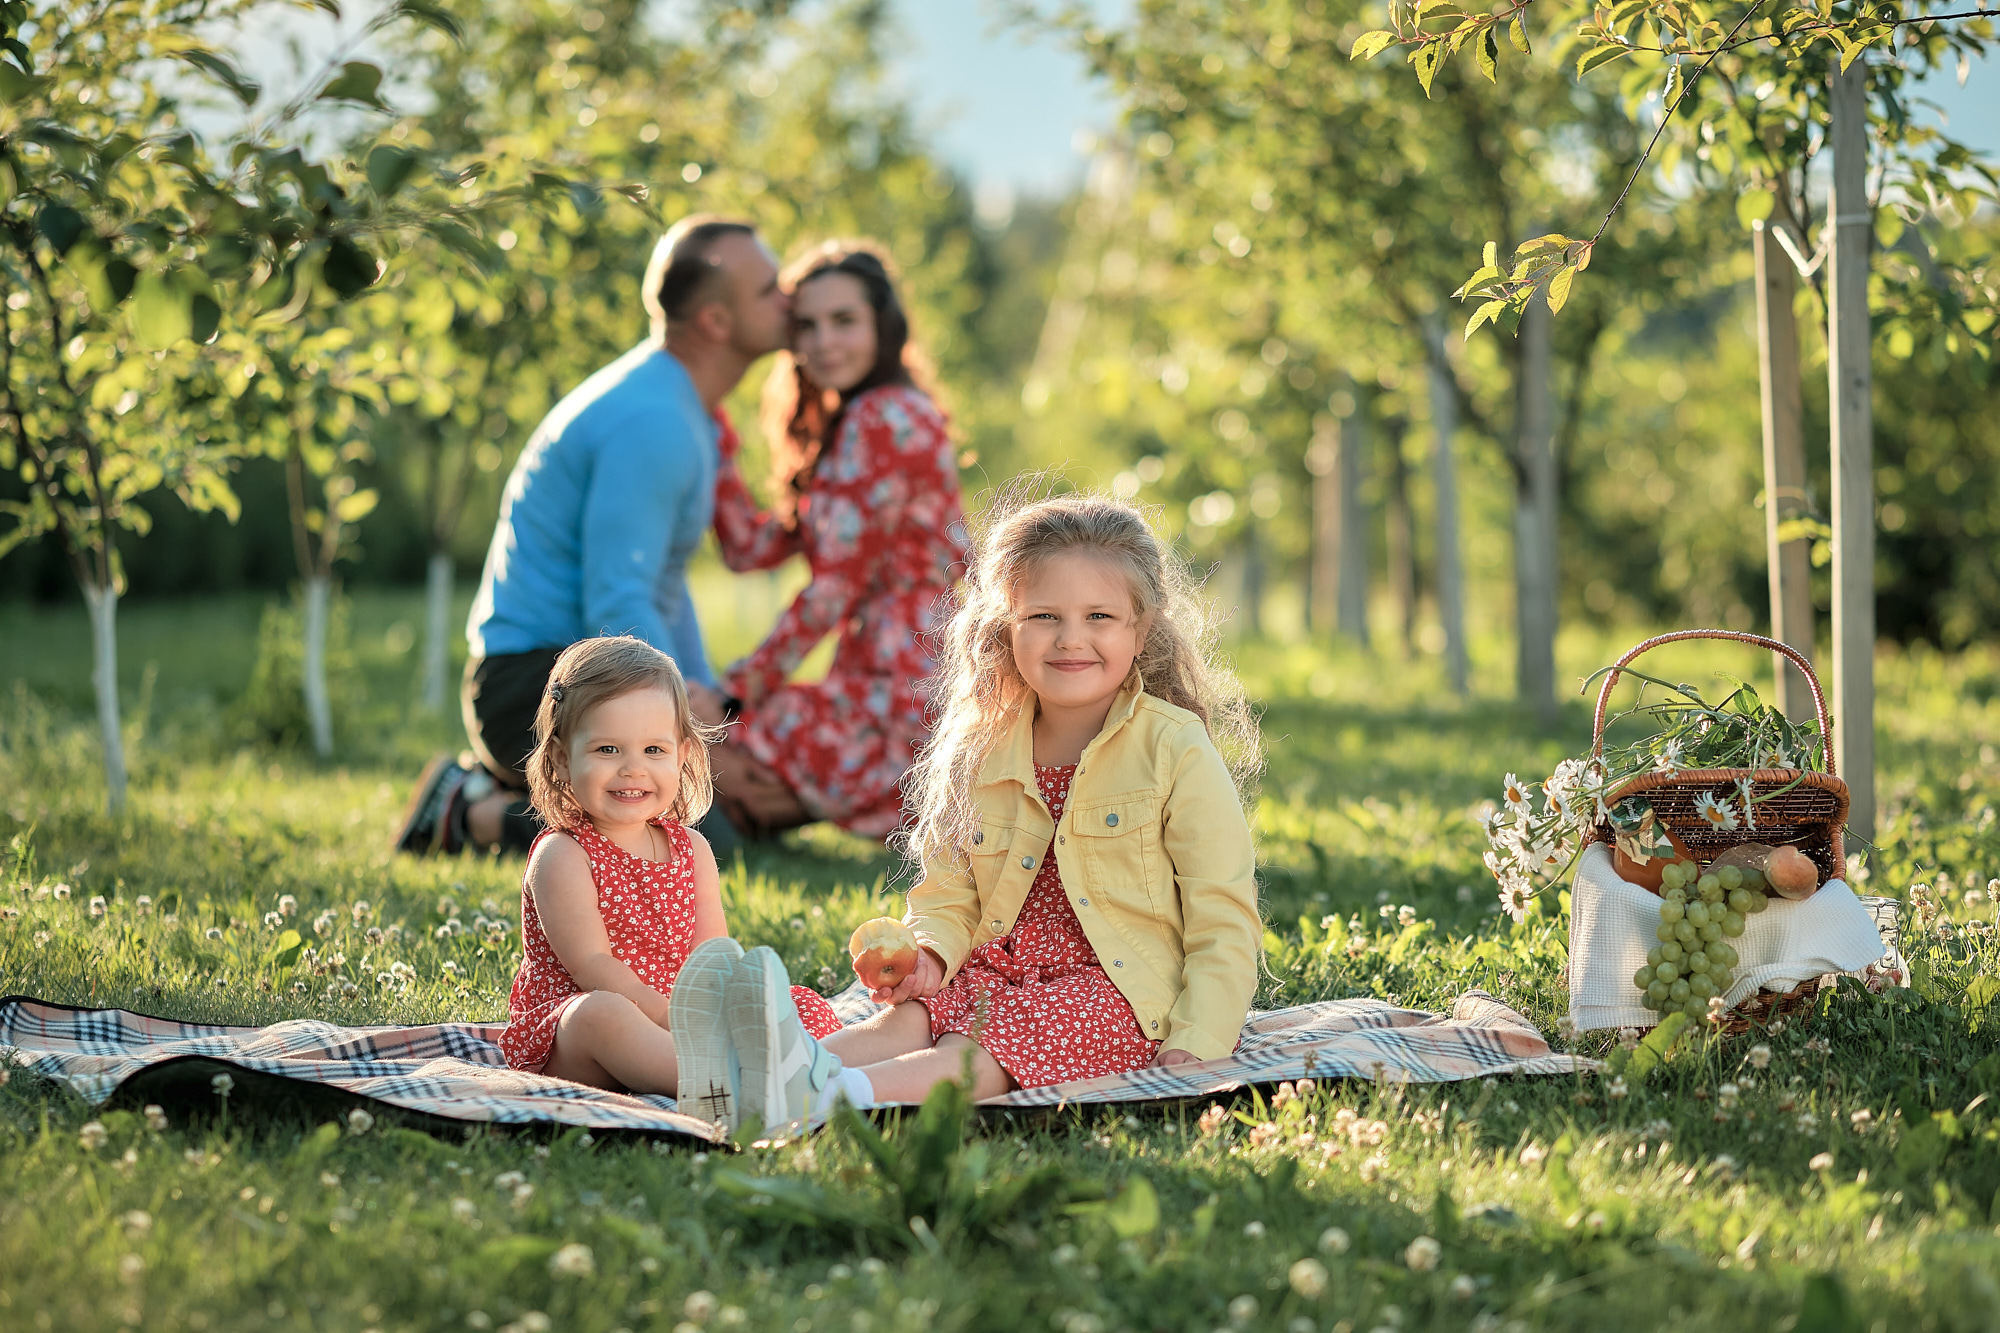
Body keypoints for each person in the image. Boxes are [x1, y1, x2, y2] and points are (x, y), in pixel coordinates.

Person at [668, 494, 1263, 1133]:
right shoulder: (986, 747)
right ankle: (757, 1074)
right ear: (1006, 628)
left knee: (979, 1049)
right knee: (911, 1017)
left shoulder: (1173, 747)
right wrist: (929, 951)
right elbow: (950, 890)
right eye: (1043, 615)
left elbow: (1222, 914)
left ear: (1140, 631)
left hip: (1118, 989)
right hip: (1000, 961)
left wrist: (1200, 1036)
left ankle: (828, 1094)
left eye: (1099, 616)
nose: (1071, 639)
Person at [395, 215, 790, 857]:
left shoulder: (679, 405)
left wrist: (706, 700)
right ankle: (469, 814)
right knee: (686, 837)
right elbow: (619, 604)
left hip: (586, 673)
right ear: (717, 322)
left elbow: (662, 584)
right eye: (770, 289)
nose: (790, 300)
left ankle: (502, 790)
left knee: (722, 816)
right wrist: (684, 733)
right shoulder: (653, 421)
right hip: (530, 681)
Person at [497, 635, 839, 1098]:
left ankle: (787, 1066)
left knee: (790, 1003)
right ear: (561, 758)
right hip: (578, 1041)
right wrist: (672, 1019)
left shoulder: (692, 849)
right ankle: (728, 1085)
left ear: (682, 753)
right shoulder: (563, 855)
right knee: (601, 1015)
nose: (633, 769)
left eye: (653, 751)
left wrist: (725, 1010)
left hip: (688, 1021)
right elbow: (592, 966)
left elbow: (713, 954)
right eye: (608, 750)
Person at [704, 241, 967, 840]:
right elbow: (750, 549)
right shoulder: (853, 426)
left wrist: (733, 694)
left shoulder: (887, 419)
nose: (823, 342)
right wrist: (712, 428)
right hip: (882, 678)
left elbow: (833, 591)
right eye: (807, 325)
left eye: (844, 321)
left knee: (703, 747)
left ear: (883, 325)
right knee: (703, 760)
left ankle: (501, 814)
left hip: (913, 686)